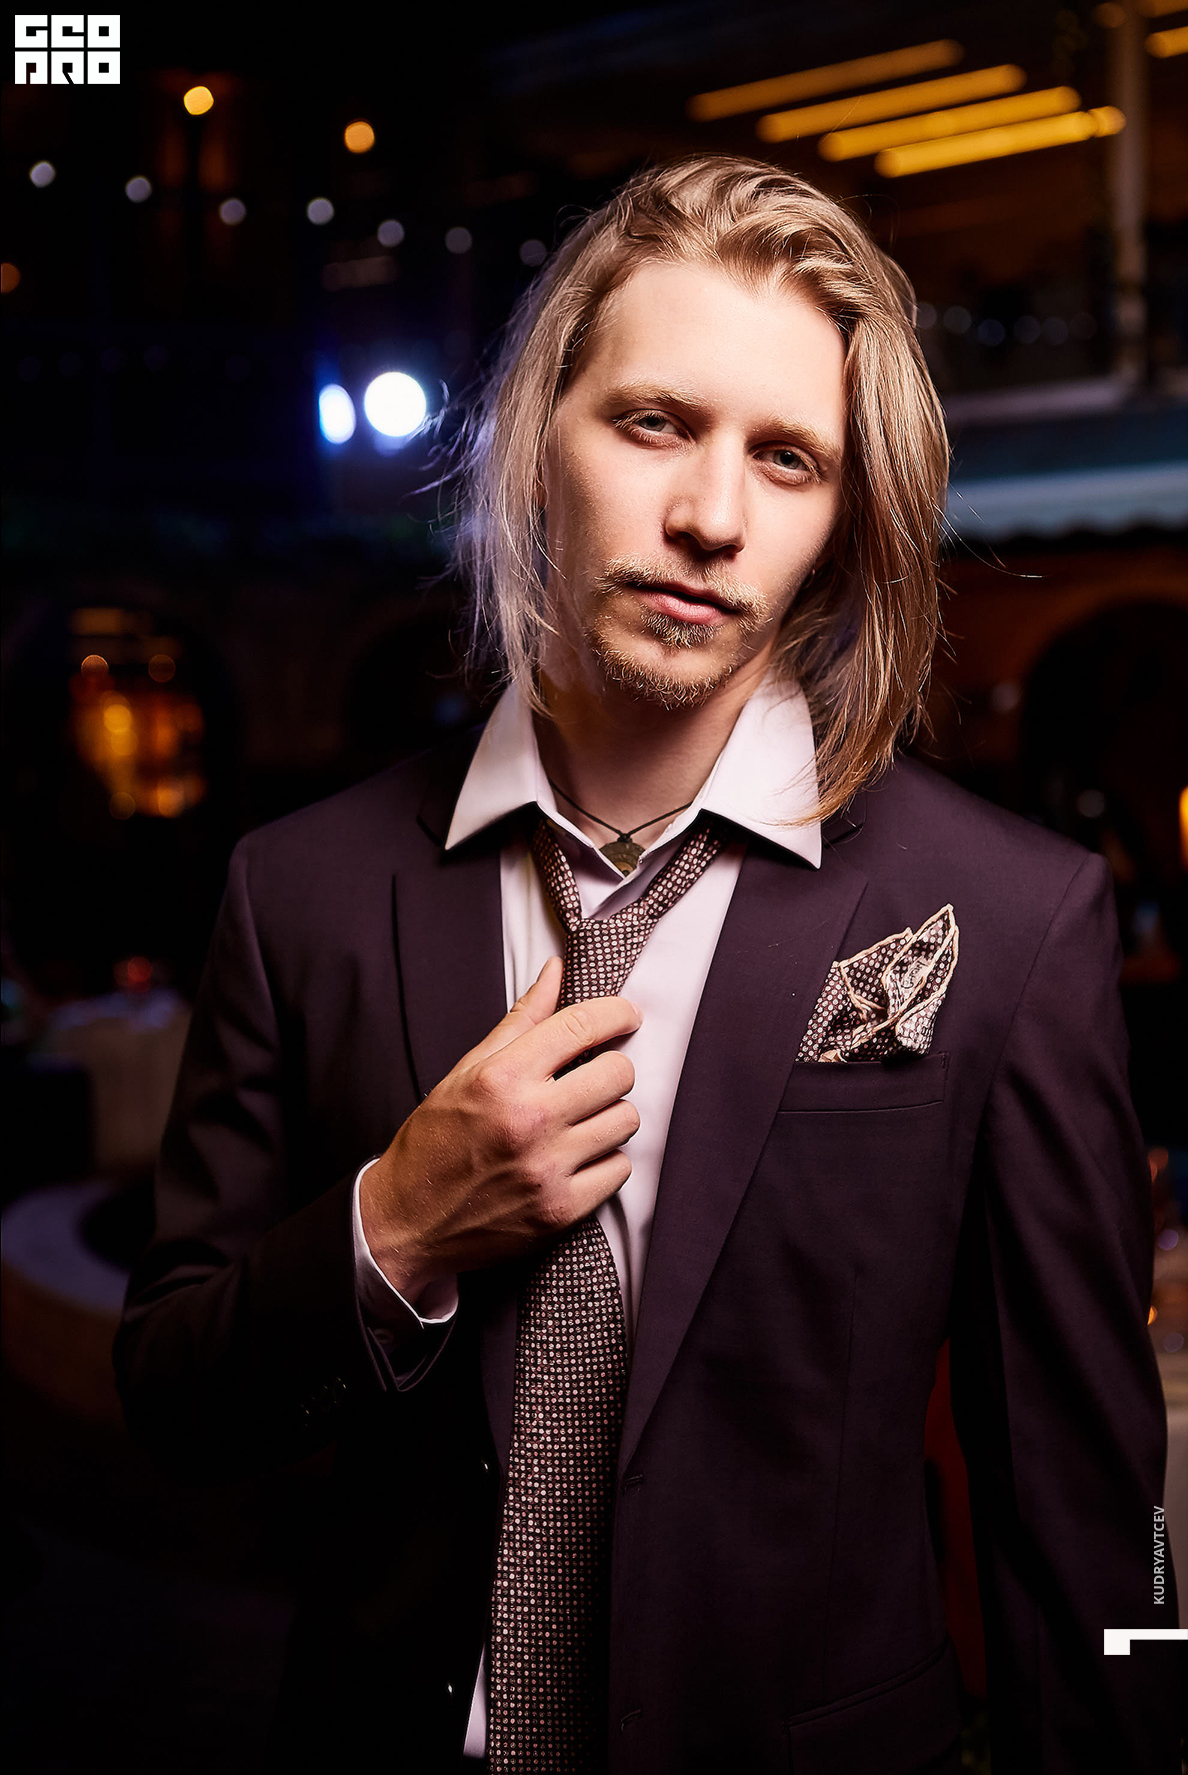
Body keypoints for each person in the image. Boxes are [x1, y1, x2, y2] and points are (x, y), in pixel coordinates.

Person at [114, 157, 1181, 1774]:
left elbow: (1100, 1521)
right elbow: (174, 1403)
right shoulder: (302, 889)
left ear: (844, 519)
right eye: (655, 423)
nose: (711, 517)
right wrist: (396, 1226)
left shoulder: (1011, 917)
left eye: (788, 458)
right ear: (539, 434)